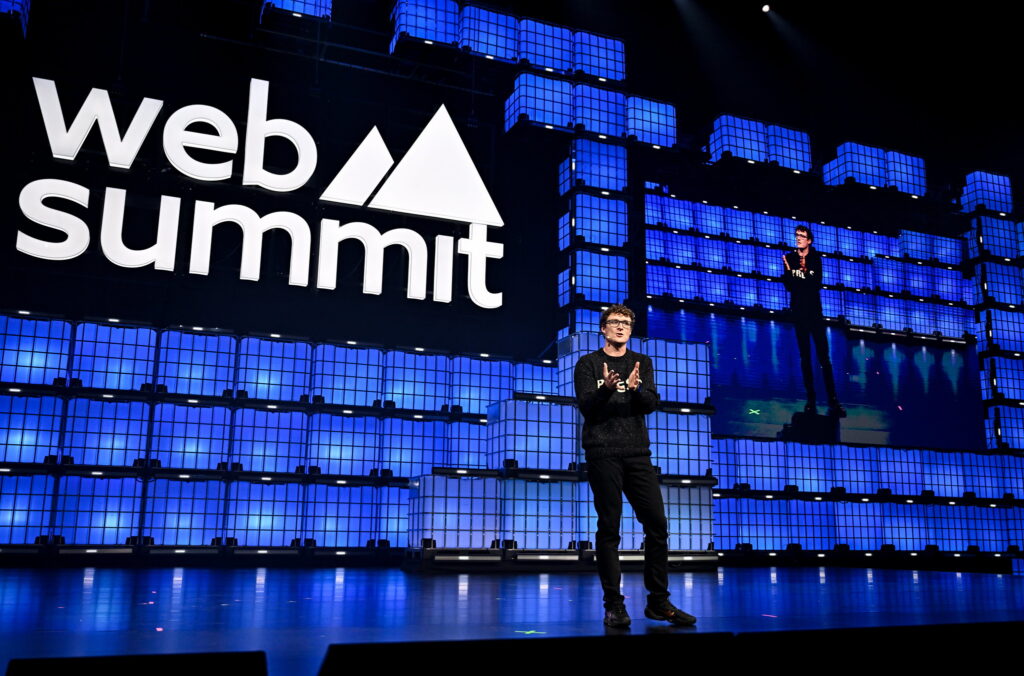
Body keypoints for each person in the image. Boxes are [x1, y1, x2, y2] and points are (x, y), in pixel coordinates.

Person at [573, 304, 697, 628]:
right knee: (609, 527)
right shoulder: (588, 363)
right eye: (615, 322)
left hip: (638, 453)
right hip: (603, 453)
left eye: (626, 323)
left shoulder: (642, 362)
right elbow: (587, 407)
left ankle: (658, 602)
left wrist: (636, 389)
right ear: (603, 328)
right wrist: (607, 389)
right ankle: (613, 605)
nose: (621, 327)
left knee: (657, 524)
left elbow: (650, 404)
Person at [782, 225, 846, 417]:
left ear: (809, 240)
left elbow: (815, 282)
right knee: (805, 358)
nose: (798, 238)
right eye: (797, 235)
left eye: (802, 236)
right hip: (799, 312)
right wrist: (796, 276)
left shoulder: (816, 258)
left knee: (824, 358)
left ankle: (833, 400)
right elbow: (788, 285)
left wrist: (794, 275)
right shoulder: (789, 258)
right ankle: (811, 399)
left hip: (815, 313)